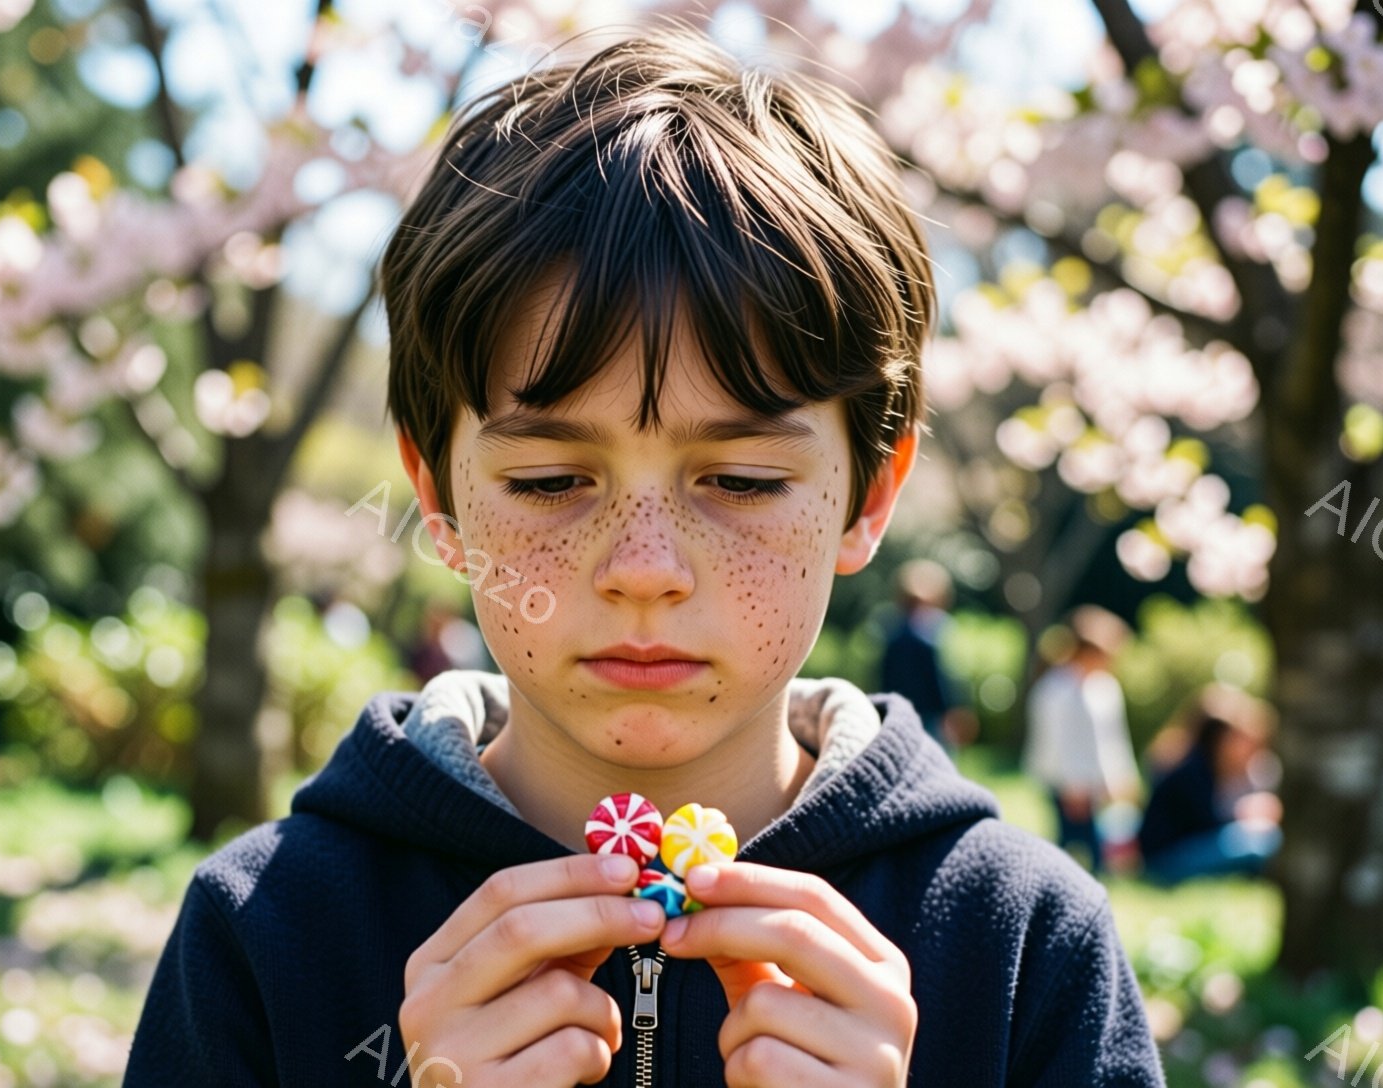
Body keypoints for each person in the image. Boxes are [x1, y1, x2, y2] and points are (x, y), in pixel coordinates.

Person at [127, 28, 1163, 1087]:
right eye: (549, 482)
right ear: (437, 492)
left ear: (872, 493)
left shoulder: (1024, 945)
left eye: (744, 482)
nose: (645, 567)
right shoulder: (263, 933)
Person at [1022, 605, 1142, 876]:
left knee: (1098, 841)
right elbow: (1055, 742)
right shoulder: (1055, 689)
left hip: (1095, 781)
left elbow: (1113, 738)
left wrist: (1122, 775)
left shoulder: (1105, 688)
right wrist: (1072, 785)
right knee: (1072, 840)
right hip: (1065, 781)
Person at [1138, 685, 1283, 885]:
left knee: (1264, 839)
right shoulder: (1191, 772)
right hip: (1164, 862)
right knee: (1258, 843)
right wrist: (1243, 816)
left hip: (1174, 855)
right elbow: (1202, 826)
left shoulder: (1208, 769)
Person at [878, 559, 971, 753]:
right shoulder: (933, 631)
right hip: (929, 717)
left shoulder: (890, 630)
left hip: (898, 713)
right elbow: (941, 678)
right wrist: (952, 709)